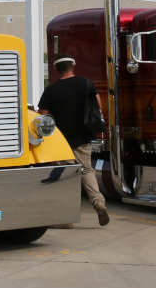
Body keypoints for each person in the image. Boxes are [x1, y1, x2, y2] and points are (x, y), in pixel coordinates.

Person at [37, 56, 110, 226]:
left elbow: (43, 115)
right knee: (86, 170)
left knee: (65, 174)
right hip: (83, 135)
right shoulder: (86, 83)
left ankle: (66, 219)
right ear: (73, 66)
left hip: (61, 140)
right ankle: (99, 203)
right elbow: (98, 107)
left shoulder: (52, 90)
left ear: (56, 70)